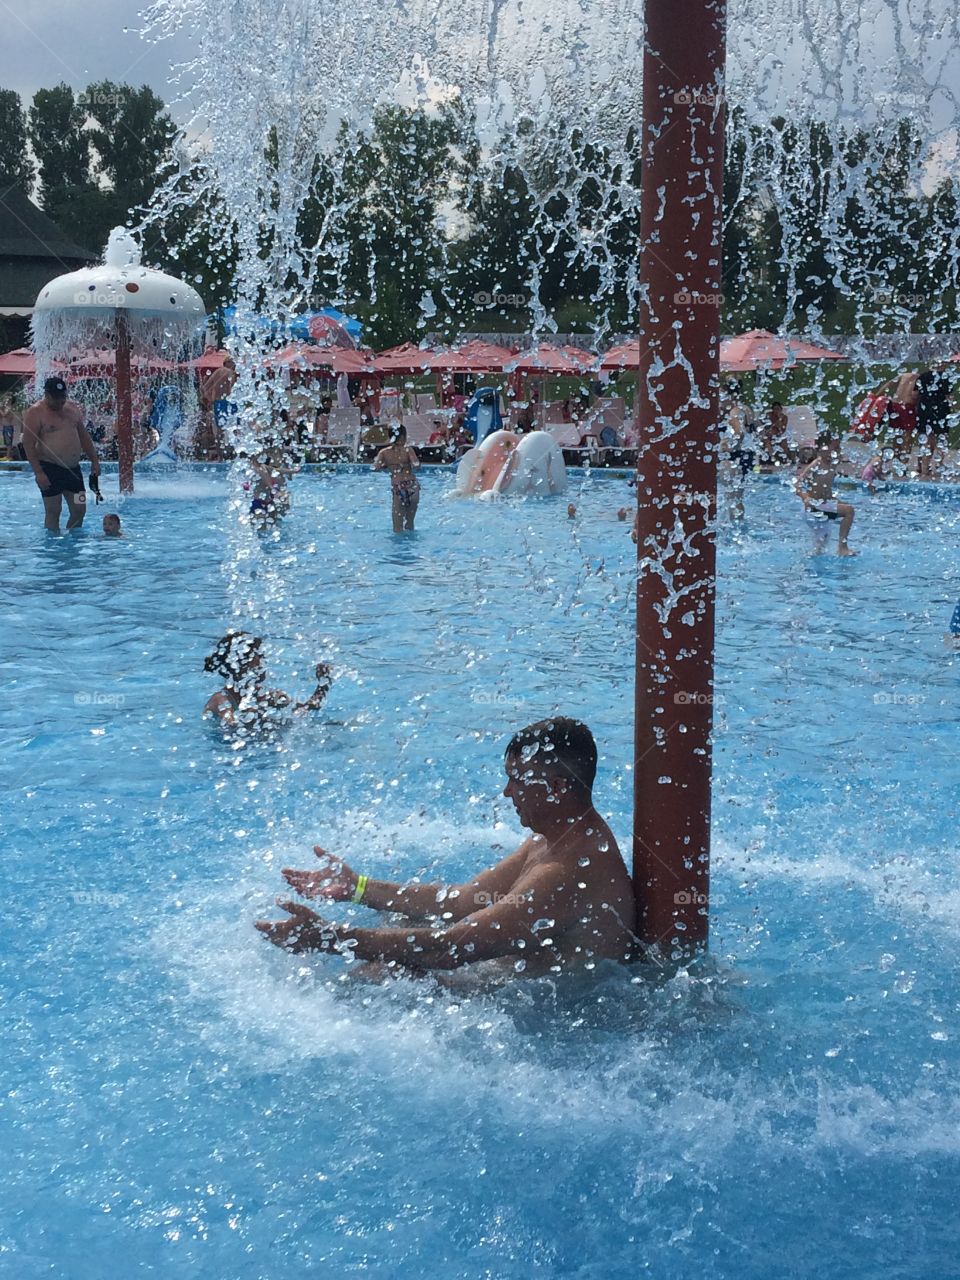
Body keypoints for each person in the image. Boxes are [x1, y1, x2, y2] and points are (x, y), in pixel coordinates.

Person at [257, 717, 638, 978]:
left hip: (544, 1016)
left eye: (517, 781)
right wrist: (357, 888)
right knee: (400, 925)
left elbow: (451, 949)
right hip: (500, 976)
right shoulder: (550, 840)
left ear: (556, 788)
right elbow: (462, 900)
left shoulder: (571, 869)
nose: (507, 793)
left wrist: (329, 938)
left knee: (385, 974)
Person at [203, 631, 332, 733]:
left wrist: (322, 684)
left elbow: (306, 709)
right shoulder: (220, 700)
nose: (264, 661)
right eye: (259, 656)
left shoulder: (264, 695)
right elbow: (231, 728)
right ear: (242, 664)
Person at [22, 377, 101, 532]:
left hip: (73, 470)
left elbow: (84, 437)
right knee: (53, 511)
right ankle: (53, 548)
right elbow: (28, 445)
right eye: (56, 398)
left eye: (62, 397)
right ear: (47, 395)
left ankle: (71, 543)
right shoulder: (35, 412)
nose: (60, 402)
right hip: (50, 468)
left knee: (80, 510)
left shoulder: (72, 409)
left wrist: (94, 460)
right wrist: (38, 472)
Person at [795, 438, 857, 556]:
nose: (837, 452)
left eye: (838, 448)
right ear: (822, 449)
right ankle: (842, 548)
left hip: (823, 506)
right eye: (834, 448)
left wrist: (834, 499)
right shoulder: (817, 464)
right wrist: (805, 498)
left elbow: (825, 488)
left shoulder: (832, 464)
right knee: (849, 511)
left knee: (820, 547)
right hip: (814, 507)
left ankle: (813, 558)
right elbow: (797, 485)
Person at [374, 424, 421, 532]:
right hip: (412, 486)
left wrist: (388, 466)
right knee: (409, 525)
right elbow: (416, 465)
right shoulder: (408, 450)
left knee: (397, 528)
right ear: (403, 437)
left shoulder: (384, 452)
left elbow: (376, 468)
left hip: (398, 488)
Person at [915, 367, 952, 480]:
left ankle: (923, 468)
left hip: (925, 410)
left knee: (926, 440)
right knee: (941, 439)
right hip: (941, 411)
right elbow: (949, 397)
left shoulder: (923, 376)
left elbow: (916, 394)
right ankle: (940, 465)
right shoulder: (945, 377)